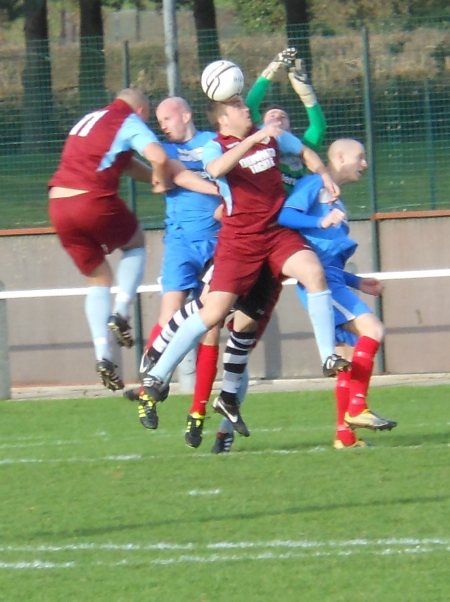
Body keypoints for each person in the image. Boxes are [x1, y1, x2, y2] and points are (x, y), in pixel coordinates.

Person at [138, 94, 347, 438]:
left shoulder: (271, 137)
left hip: (275, 234)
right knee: (212, 313)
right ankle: (158, 377)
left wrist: (323, 175)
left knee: (311, 273)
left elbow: (305, 151)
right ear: (222, 119)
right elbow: (216, 170)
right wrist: (253, 138)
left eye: (245, 106)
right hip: (240, 241)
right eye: (238, 108)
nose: (247, 110)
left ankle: (327, 357)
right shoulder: (214, 147)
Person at [48, 87, 213, 392]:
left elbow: (123, 163)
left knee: (99, 278)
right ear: (141, 111)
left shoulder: (90, 119)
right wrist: (161, 178)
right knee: (135, 242)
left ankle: (103, 354)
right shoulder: (127, 120)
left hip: (58, 204)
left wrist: (151, 175)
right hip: (90, 199)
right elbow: (158, 156)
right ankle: (122, 312)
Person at [278, 138, 397, 449]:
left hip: (334, 279)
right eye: (360, 157)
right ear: (340, 157)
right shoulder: (314, 183)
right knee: (373, 329)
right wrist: (320, 219)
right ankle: (358, 408)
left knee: (346, 357)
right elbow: (285, 215)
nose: (365, 164)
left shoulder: (336, 199)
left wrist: (357, 282)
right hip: (322, 284)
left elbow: (328, 254)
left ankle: (345, 436)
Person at [135, 97, 222, 431]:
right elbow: (170, 180)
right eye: (158, 121)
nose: (163, 125)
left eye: (167, 118)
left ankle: (198, 411)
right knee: (169, 314)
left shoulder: (212, 143)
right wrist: (218, 189)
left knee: (211, 326)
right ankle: (148, 391)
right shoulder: (163, 151)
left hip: (218, 242)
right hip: (181, 241)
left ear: (186, 114)